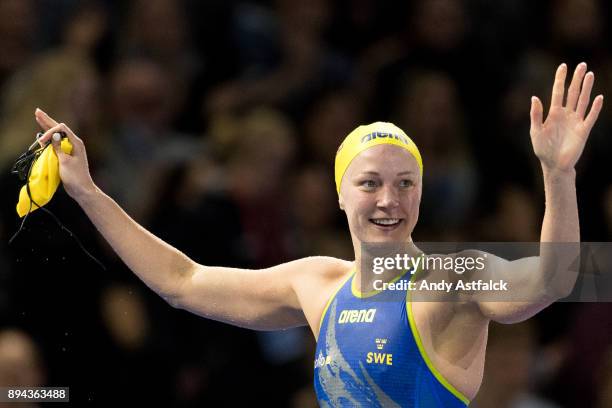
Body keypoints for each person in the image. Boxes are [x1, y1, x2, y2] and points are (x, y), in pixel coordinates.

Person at [32, 62, 602, 406]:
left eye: (406, 183)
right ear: (339, 193)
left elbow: (552, 278)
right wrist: (86, 190)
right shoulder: (316, 283)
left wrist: (557, 173)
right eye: (371, 182)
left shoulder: (450, 278)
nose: (389, 200)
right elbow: (183, 280)